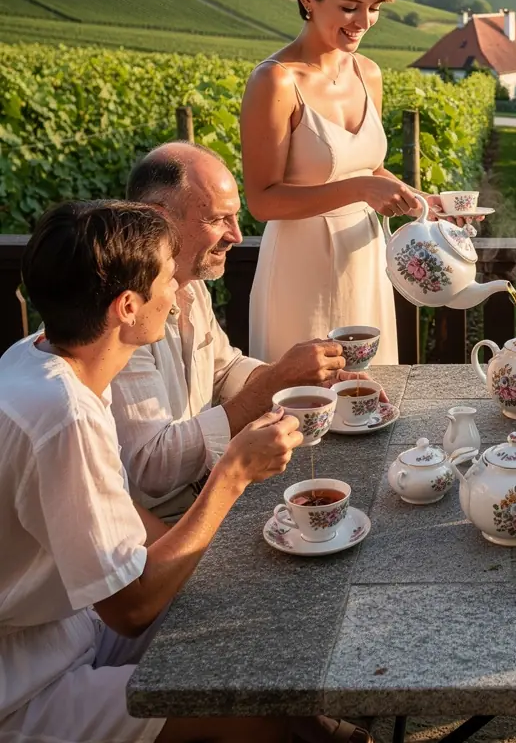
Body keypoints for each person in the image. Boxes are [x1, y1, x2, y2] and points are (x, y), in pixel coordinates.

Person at [0, 200, 302, 743]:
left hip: (68, 626)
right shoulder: (63, 414)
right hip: (27, 684)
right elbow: (131, 609)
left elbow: (106, 505)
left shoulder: (34, 356)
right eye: (168, 277)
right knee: (245, 700)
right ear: (127, 306)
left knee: (251, 616)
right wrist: (231, 475)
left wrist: (202, 566)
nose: (177, 289)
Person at [113, 142, 358, 520]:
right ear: (157, 217)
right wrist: (276, 379)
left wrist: (303, 383)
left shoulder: (188, 283)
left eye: (236, 218)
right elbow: (151, 469)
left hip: (206, 495)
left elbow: (223, 370)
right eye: (217, 220)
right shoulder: (122, 312)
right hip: (157, 526)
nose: (237, 236)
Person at [241, 0, 437, 364]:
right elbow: (261, 201)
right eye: (350, 7)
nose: (364, 22)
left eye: (373, 9)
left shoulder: (369, 73)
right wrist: (362, 190)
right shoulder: (274, 80)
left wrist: (422, 201)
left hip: (365, 260)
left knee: (370, 403)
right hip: (299, 269)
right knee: (302, 411)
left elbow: (368, 167)